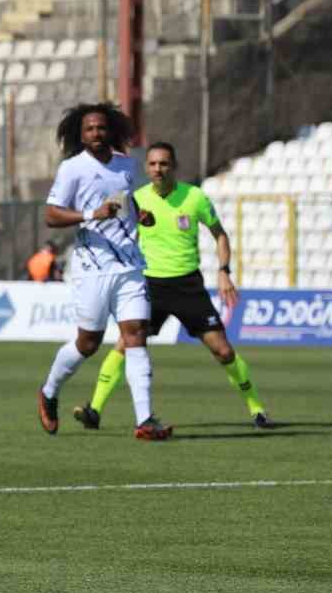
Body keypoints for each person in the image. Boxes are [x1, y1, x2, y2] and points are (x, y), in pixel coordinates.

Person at [72, 140, 271, 430]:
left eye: (164, 163)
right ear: (146, 168)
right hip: (149, 285)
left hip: (188, 286)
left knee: (224, 351)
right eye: (152, 164)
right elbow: (108, 222)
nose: (158, 169)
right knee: (125, 344)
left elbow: (221, 236)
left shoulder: (195, 197)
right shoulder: (135, 199)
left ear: (173, 166)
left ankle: (257, 409)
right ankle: (95, 410)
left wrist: (224, 271)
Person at [35, 103, 172, 441]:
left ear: (111, 130)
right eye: (90, 129)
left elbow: (130, 200)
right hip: (92, 269)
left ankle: (145, 421)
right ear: (80, 135)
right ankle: (49, 391)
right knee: (88, 343)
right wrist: (90, 214)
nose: (96, 133)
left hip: (129, 265)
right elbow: (51, 215)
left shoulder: (127, 165)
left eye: (101, 128)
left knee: (136, 336)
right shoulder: (72, 169)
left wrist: (140, 216)